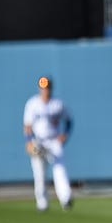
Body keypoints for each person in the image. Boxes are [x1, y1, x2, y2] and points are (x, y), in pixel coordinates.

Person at [23, 76, 74, 212]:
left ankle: (66, 199)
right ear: (40, 89)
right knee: (39, 174)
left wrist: (65, 135)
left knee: (60, 169)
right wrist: (29, 142)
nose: (45, 90)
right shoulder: (33, 104)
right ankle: (42, 203)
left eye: (47, 87)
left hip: (53, 141)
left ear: (51, 88)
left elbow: (69, 120)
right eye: (43, 87)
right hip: (38, 142)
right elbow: (27, 126)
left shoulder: (57, 104)